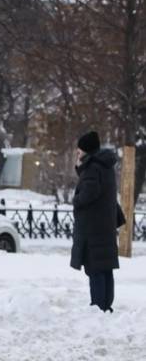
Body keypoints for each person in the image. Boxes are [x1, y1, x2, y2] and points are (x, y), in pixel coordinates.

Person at [71, 131, 123, 312]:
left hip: (93, 227)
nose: (77, 152)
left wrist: (75, 200)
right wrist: (80, 168)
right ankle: (106, 304)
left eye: (79, 149)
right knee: (105, 268)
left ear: (86, 149)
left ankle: (98, 307)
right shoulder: (105, 165)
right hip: (105, 224)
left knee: (95, 269)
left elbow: (89, 193)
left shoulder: (93, 168)